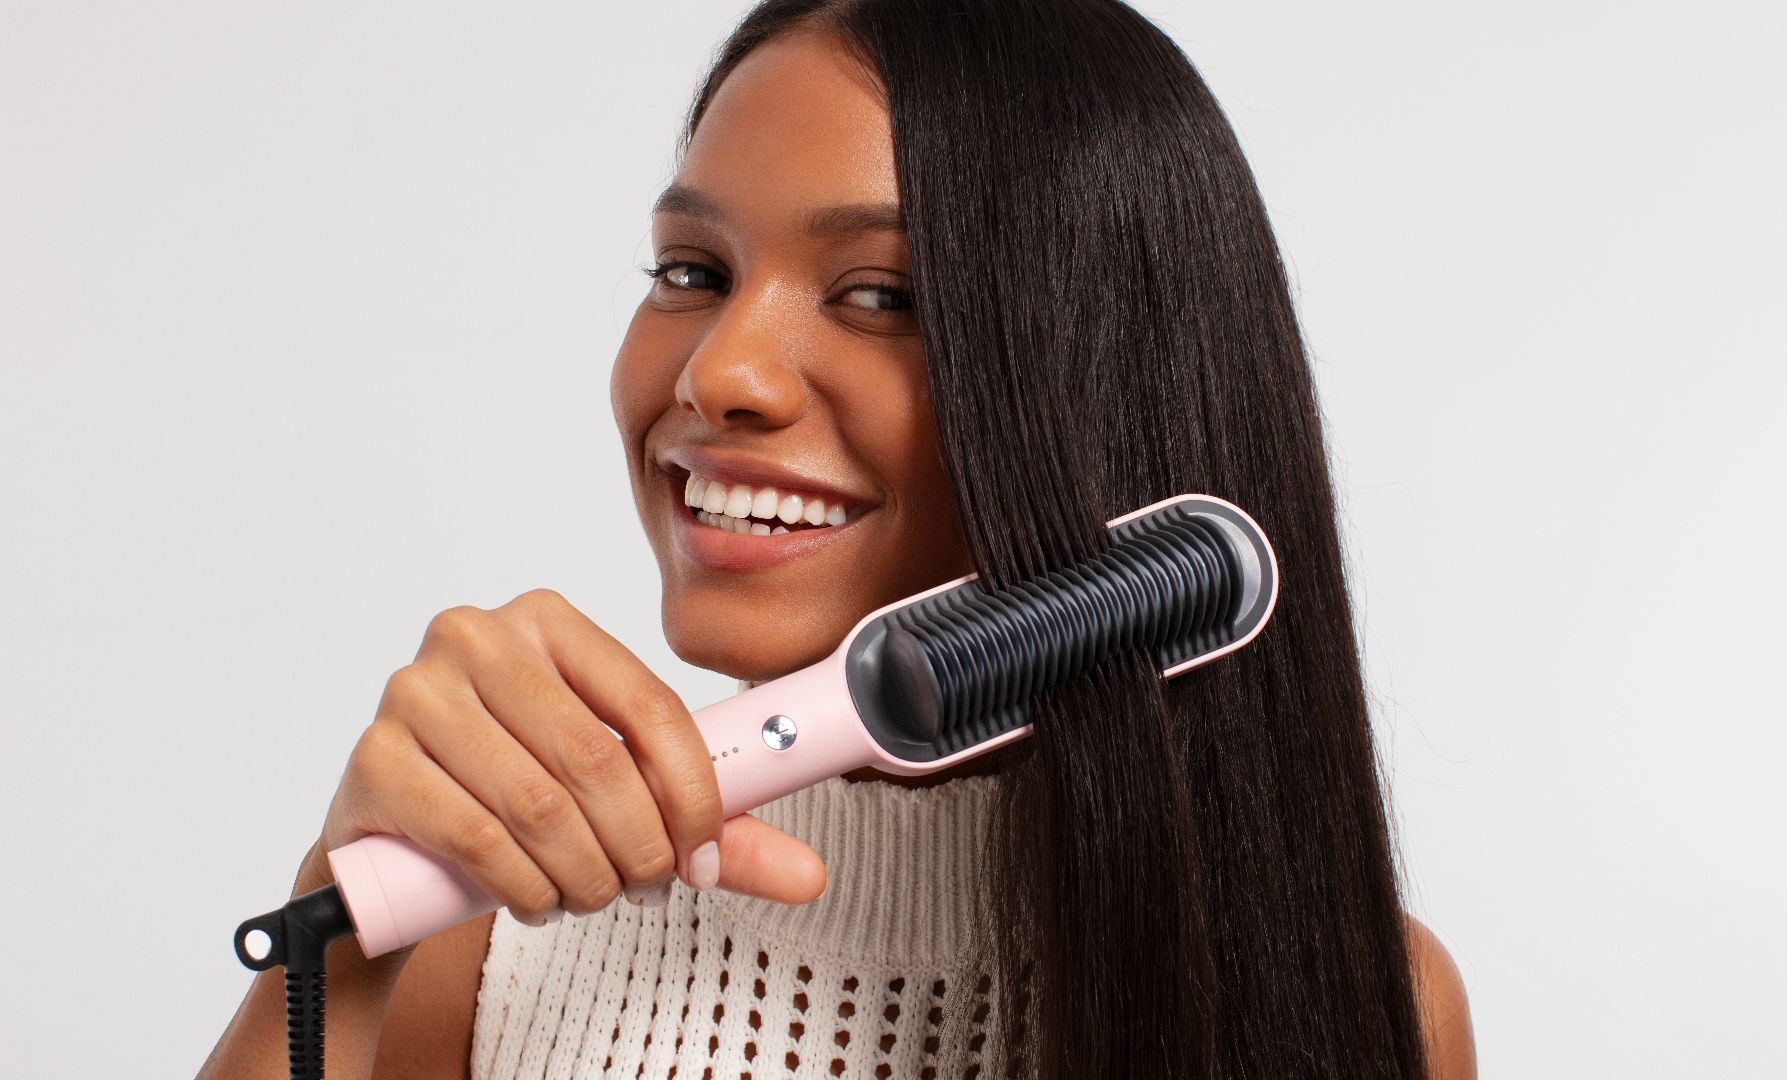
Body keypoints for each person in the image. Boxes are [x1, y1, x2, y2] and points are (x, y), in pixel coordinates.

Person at [199, 1, 1475, 1077]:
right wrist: (340, 940)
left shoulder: (1365, 994)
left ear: (1101, 390)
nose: (721, 371)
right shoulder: (483, 946)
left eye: (882, 296)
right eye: (691, 271)